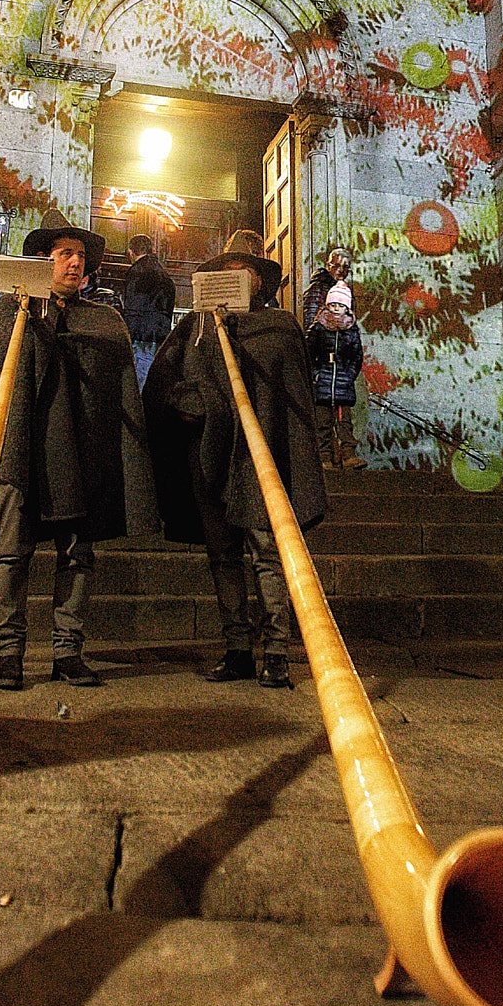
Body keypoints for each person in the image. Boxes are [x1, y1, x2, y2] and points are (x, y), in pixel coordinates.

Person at [0, 209, 158, 690]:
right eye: (65, 254)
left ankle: (68, 650)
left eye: (81, 256)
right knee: (11, 550)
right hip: (22, 450)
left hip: (82, 454)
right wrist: (34, 315)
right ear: (42, 260)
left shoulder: (104, 321)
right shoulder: (13, 312)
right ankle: (8, 652)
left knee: (77, 554)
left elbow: (119, 394)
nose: (75, 263)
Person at [142, 231, 327, 687]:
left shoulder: (282, 327)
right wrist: (193, 403)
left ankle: (278, 650)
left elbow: (294, 399)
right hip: (211, 453)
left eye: (244, 270)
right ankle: (237, 648)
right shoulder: (196, 327)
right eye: (226, 269)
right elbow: (165, 383)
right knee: (223, 553)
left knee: (267, 550)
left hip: (262, 459)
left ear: (259, 282)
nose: (235, 276)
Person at [308, 281, 366, 468]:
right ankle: (324, 458)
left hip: (343, 384)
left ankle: (348, 455)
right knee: (323, 423)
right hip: (323, 383)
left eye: (340, 306)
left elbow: (356, 356)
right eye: (333, 305)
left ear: (346, 308)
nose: (335, 309)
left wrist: (349, 376)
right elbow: (308, 353)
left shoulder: (351, 329)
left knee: (344, 422)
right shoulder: (318, 328)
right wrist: (316, 373)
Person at [121, 233, 176, 389]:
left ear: (131, 252)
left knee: (138, 386)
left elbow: (133, 308)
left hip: (141, 336)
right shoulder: (163, 274)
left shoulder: (137, 272)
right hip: (161, 336)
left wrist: (127, 336)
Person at [302, 247, 355, 329]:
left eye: (345, 267)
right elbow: (310, 320)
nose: (341, 270)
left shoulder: (345, 290)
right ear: (328, 266)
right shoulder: (318, 287)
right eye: (337, 265)